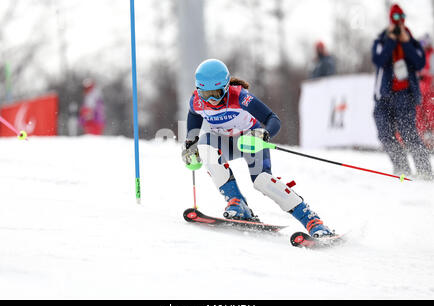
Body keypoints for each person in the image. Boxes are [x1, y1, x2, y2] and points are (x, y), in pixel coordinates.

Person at [181, 58, 334, 238]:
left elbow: (273, 119)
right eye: (206, 95)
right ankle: (237, 202)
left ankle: (312, 221)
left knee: (262, 181)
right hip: (226, 142)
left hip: (250, 141)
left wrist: (264, 134)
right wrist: (191, 141)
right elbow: (194, 115)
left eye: (216, 93)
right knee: (205, 145)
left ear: (226, 86)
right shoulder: (196, 101)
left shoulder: (240, 97)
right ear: (199, 91)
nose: (212, 100)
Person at [372, 4, 432, 179]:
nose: (399, 22)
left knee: (409, 133)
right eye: (395, 18)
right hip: (384, 96)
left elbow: (420, 63)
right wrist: (391, 40)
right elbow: (379, 60)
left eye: (401, 17)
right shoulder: (382, 40)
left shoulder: (411, 40)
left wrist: (405, 43)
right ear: (391, 20)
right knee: (384, 132)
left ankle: (425, 171)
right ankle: (402, 168)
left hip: (405, 95)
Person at [417, 33, 434, 149]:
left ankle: (430, 137)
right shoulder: (420, 55)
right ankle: (423, 138)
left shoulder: (431, 55)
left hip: (430, 90)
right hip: (421, 91)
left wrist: (424, 73)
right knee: (419, 113)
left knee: (431, 113)